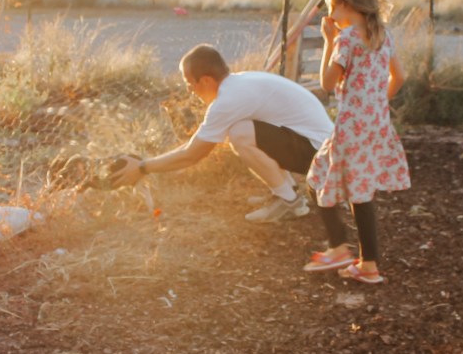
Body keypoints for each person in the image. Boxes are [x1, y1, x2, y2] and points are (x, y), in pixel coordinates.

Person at [111, 44, 333, 222]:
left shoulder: (228, 100)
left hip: (321, 156)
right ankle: (286, 192)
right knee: (241, 129)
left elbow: (192, 154)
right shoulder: (240, 83)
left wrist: (143, 167)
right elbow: (193, 146)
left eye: (190, 84)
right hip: (324, 148)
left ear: (206, 80)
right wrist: (145, 165)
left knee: (240, 133)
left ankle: (289, 202)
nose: (190, 91)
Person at [304, 0, 410, 284]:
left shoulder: (347, 39)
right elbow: (399, 77)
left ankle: (343, 250)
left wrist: (328, 40)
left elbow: (326, 83)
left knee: (316, 181)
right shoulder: (383, 34)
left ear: (344, 2)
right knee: (360, 191)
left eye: (330, 3)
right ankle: (365, 263)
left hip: (351, 130)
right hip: (376, 126)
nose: (329, 13)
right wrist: (376, 102)